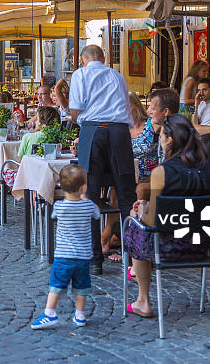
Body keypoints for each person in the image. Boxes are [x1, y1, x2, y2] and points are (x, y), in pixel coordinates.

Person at [124, 114, 210, 318]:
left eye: (160, 136)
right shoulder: (209, 170)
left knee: (135, 224)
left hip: (167, 249)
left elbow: (153, 222)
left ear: (169, 140)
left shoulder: (162, 172)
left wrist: (141, 210)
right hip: (200, 246)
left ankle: (143, 300)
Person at [69, 44, 135, 269]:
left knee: (90, 195)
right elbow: (125, 106)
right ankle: (133, 258)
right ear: (104, 57)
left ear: (81, 59)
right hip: (119, 132)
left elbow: (75, 109)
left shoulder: (80, 74)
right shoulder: (117, 75)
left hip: (93, 131)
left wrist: (81, 121)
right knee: (126, 194)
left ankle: (95, 259)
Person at [30, 164, 101, 329]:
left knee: (56, 285)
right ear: (84, 187)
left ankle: (49, 313)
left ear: (62, 186)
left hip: (63, 256)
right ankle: (80, 314)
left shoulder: (60, 207)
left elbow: (53, 216)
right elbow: (97, 214)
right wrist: (85, 198)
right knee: (81, 286)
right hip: (83, 257)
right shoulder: (88, 206)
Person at [0, 106, 59, 223]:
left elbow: (20, 161)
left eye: (38, 119)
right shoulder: (57, 137)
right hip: (47, 177)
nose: (35, 121)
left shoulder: (29, 137)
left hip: (27, 179)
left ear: (42, 122)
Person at [101, 93, 158, 262]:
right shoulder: (120, 130)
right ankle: (115, 237)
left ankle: (111, 237)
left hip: (149, 176)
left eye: (126, 107)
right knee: (116, 187)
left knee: (125, 188)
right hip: (127, 175)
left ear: (136, 107)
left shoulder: (150, 125)